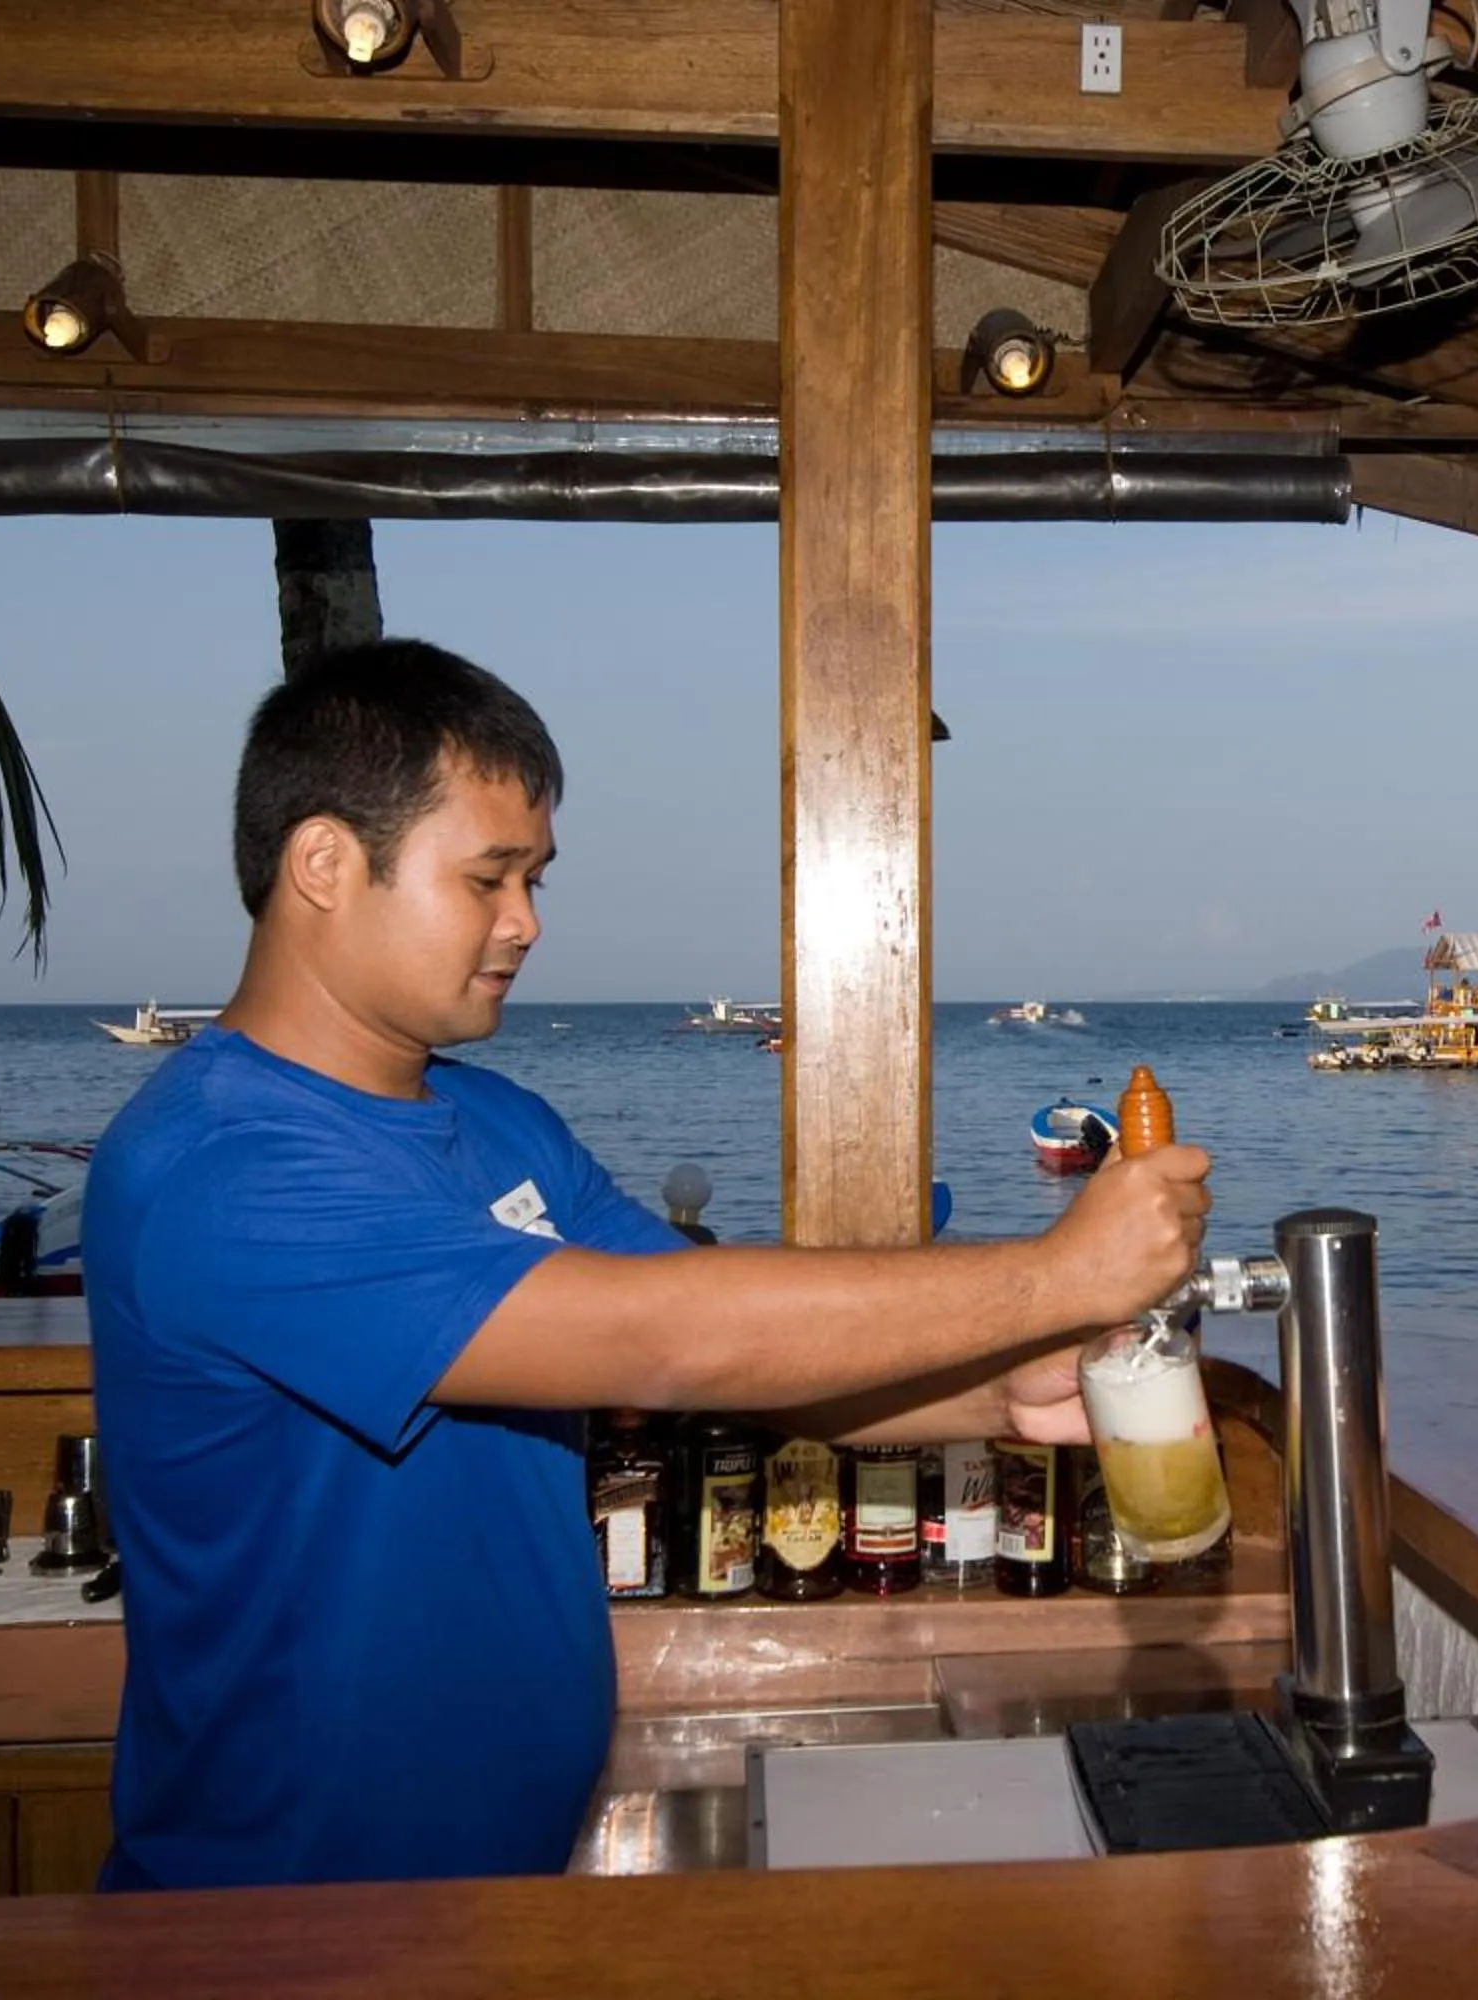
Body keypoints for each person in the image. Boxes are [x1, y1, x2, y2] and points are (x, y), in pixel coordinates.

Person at [85, 640, 1210, 1892]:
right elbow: (654, 1335)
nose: (527, 922)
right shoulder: (219, 1163)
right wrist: (1057, 1275)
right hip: (281, 1911)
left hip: (501, 1883)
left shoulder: (503, 1124)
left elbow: (715, 1360)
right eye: (490, 877)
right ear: (325, 863)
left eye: (535, 879)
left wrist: (1000, 1391)